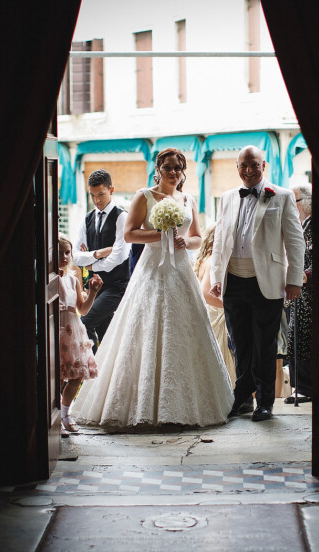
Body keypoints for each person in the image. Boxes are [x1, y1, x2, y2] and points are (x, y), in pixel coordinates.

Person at [72, 148, 234, 428]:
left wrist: (186, 242)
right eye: (167, 167)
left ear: (183, 172)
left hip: (181, 269)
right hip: (152, 268)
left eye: (177, 168)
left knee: (185, 327)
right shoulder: (144, 196)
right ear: (158, 169)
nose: (173, 172)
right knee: (144, 326)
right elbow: (130, 233)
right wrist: (161, 234)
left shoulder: (187, 199)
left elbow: (197, 236)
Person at [209, 145, 305, 422]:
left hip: (268, 281)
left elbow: (295, 242)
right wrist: (216, 277)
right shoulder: (226, 197)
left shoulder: (283, 196)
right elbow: (219, 241)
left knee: (264, 343)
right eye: (243, 166)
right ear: (237, 167)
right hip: (233, 280)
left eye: (254, 165)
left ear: (263, 166)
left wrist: (294, 280)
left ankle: (265, 402)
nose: (248, 171)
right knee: (239, 342)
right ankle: (243, 397)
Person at [73, 169, 132, 352]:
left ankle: (92, 369)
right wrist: (97, 254)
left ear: (111, 190)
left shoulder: (122, 216)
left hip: (117, 286)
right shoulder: (87, 218)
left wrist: (90, 263)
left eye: (101, 194)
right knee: (107, 334)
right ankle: (105, 376)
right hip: (95, 287)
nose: (97, 200)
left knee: (84, 324)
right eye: (92, 195)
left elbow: (119, 256)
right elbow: (76, 256)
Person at [56, 235, 103, 436]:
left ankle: (66, 413)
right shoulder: (50, 279)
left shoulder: (73, 280)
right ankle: (55, 417)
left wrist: (92, 292)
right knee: (55, 377)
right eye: (59, 253)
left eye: (67, 252)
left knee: (75, 375)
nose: (65, 257)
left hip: (73, 330)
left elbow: (82, 310)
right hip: (56, 330)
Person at [193, 224, 239, 389]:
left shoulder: (205, 260)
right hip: (216, 314)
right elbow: (206, 293)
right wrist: (229, 307)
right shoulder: (213, 262)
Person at [285, 183, 314, 403]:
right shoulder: (302, 226)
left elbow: (314, 260)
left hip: (309, 294)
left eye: (291, 201)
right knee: (297, 336)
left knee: (304, 336)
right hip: (300, 293)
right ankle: (301, 387)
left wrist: (302, 276)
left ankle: (306, 388)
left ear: (303, 202)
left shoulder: (312, 226)